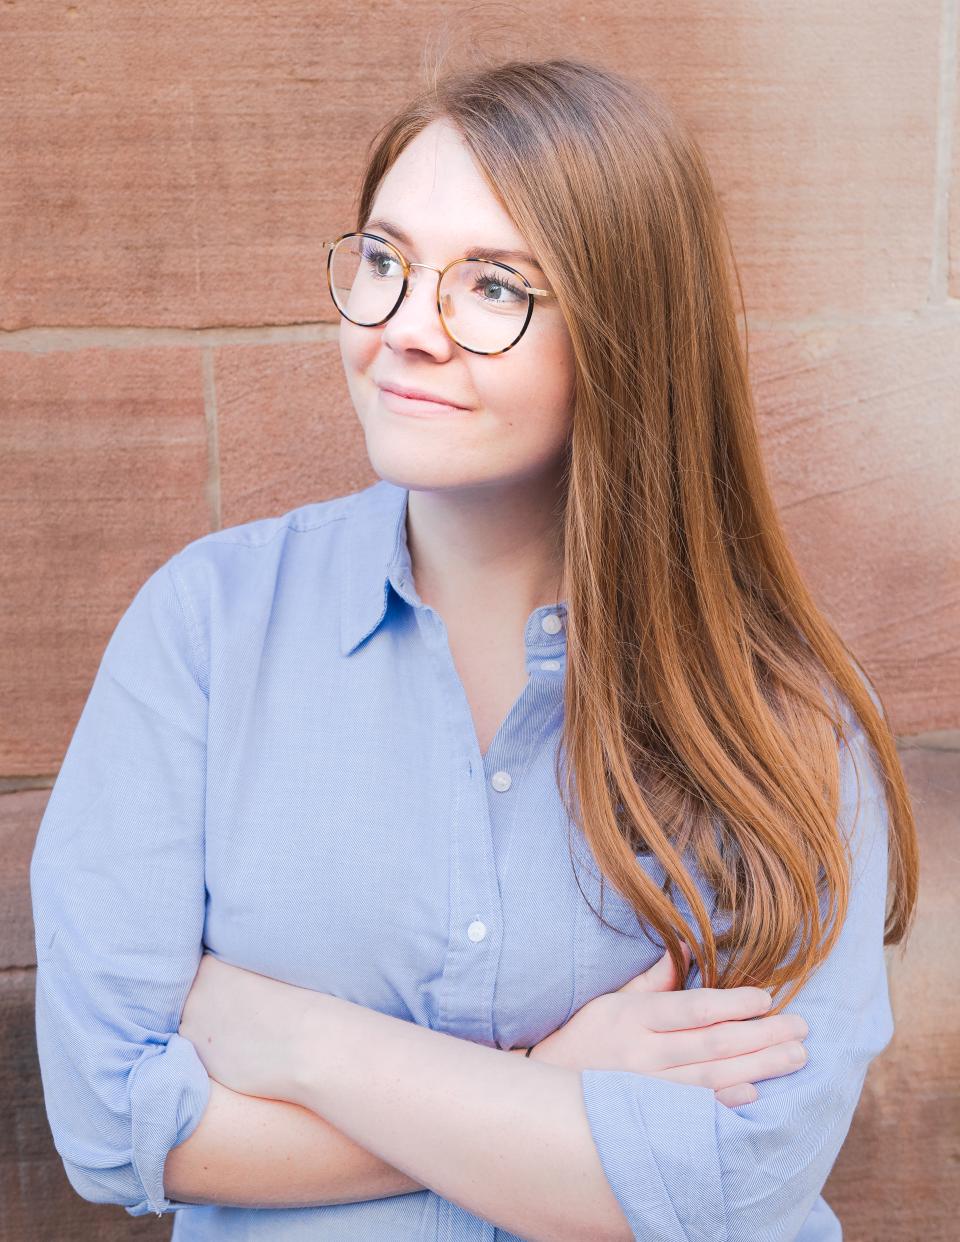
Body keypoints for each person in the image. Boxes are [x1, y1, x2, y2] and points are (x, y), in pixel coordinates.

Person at [30, 57, 918, 1241]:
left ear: (625, 330)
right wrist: (553, 1082)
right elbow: (110, 1125)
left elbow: (738, 1179)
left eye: (493, 287)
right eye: (385, 263)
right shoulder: (206, 630)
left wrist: (302, 1044)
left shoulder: (777, 710)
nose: (406, 331)